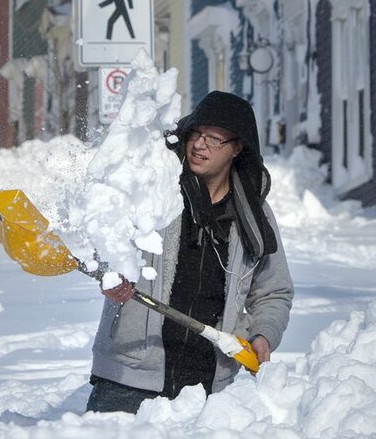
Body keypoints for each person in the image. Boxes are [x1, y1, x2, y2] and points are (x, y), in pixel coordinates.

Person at [86, 91, 294, 414]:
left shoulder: (253, 215)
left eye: (214, 139)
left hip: (207, 393)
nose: (199, 145)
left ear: (237, 148)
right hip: (128, 380)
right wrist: (111, 273)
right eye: (196, 133)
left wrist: (263, 335)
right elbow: (107, 240)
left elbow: (273, 291)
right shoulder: (156, 187)